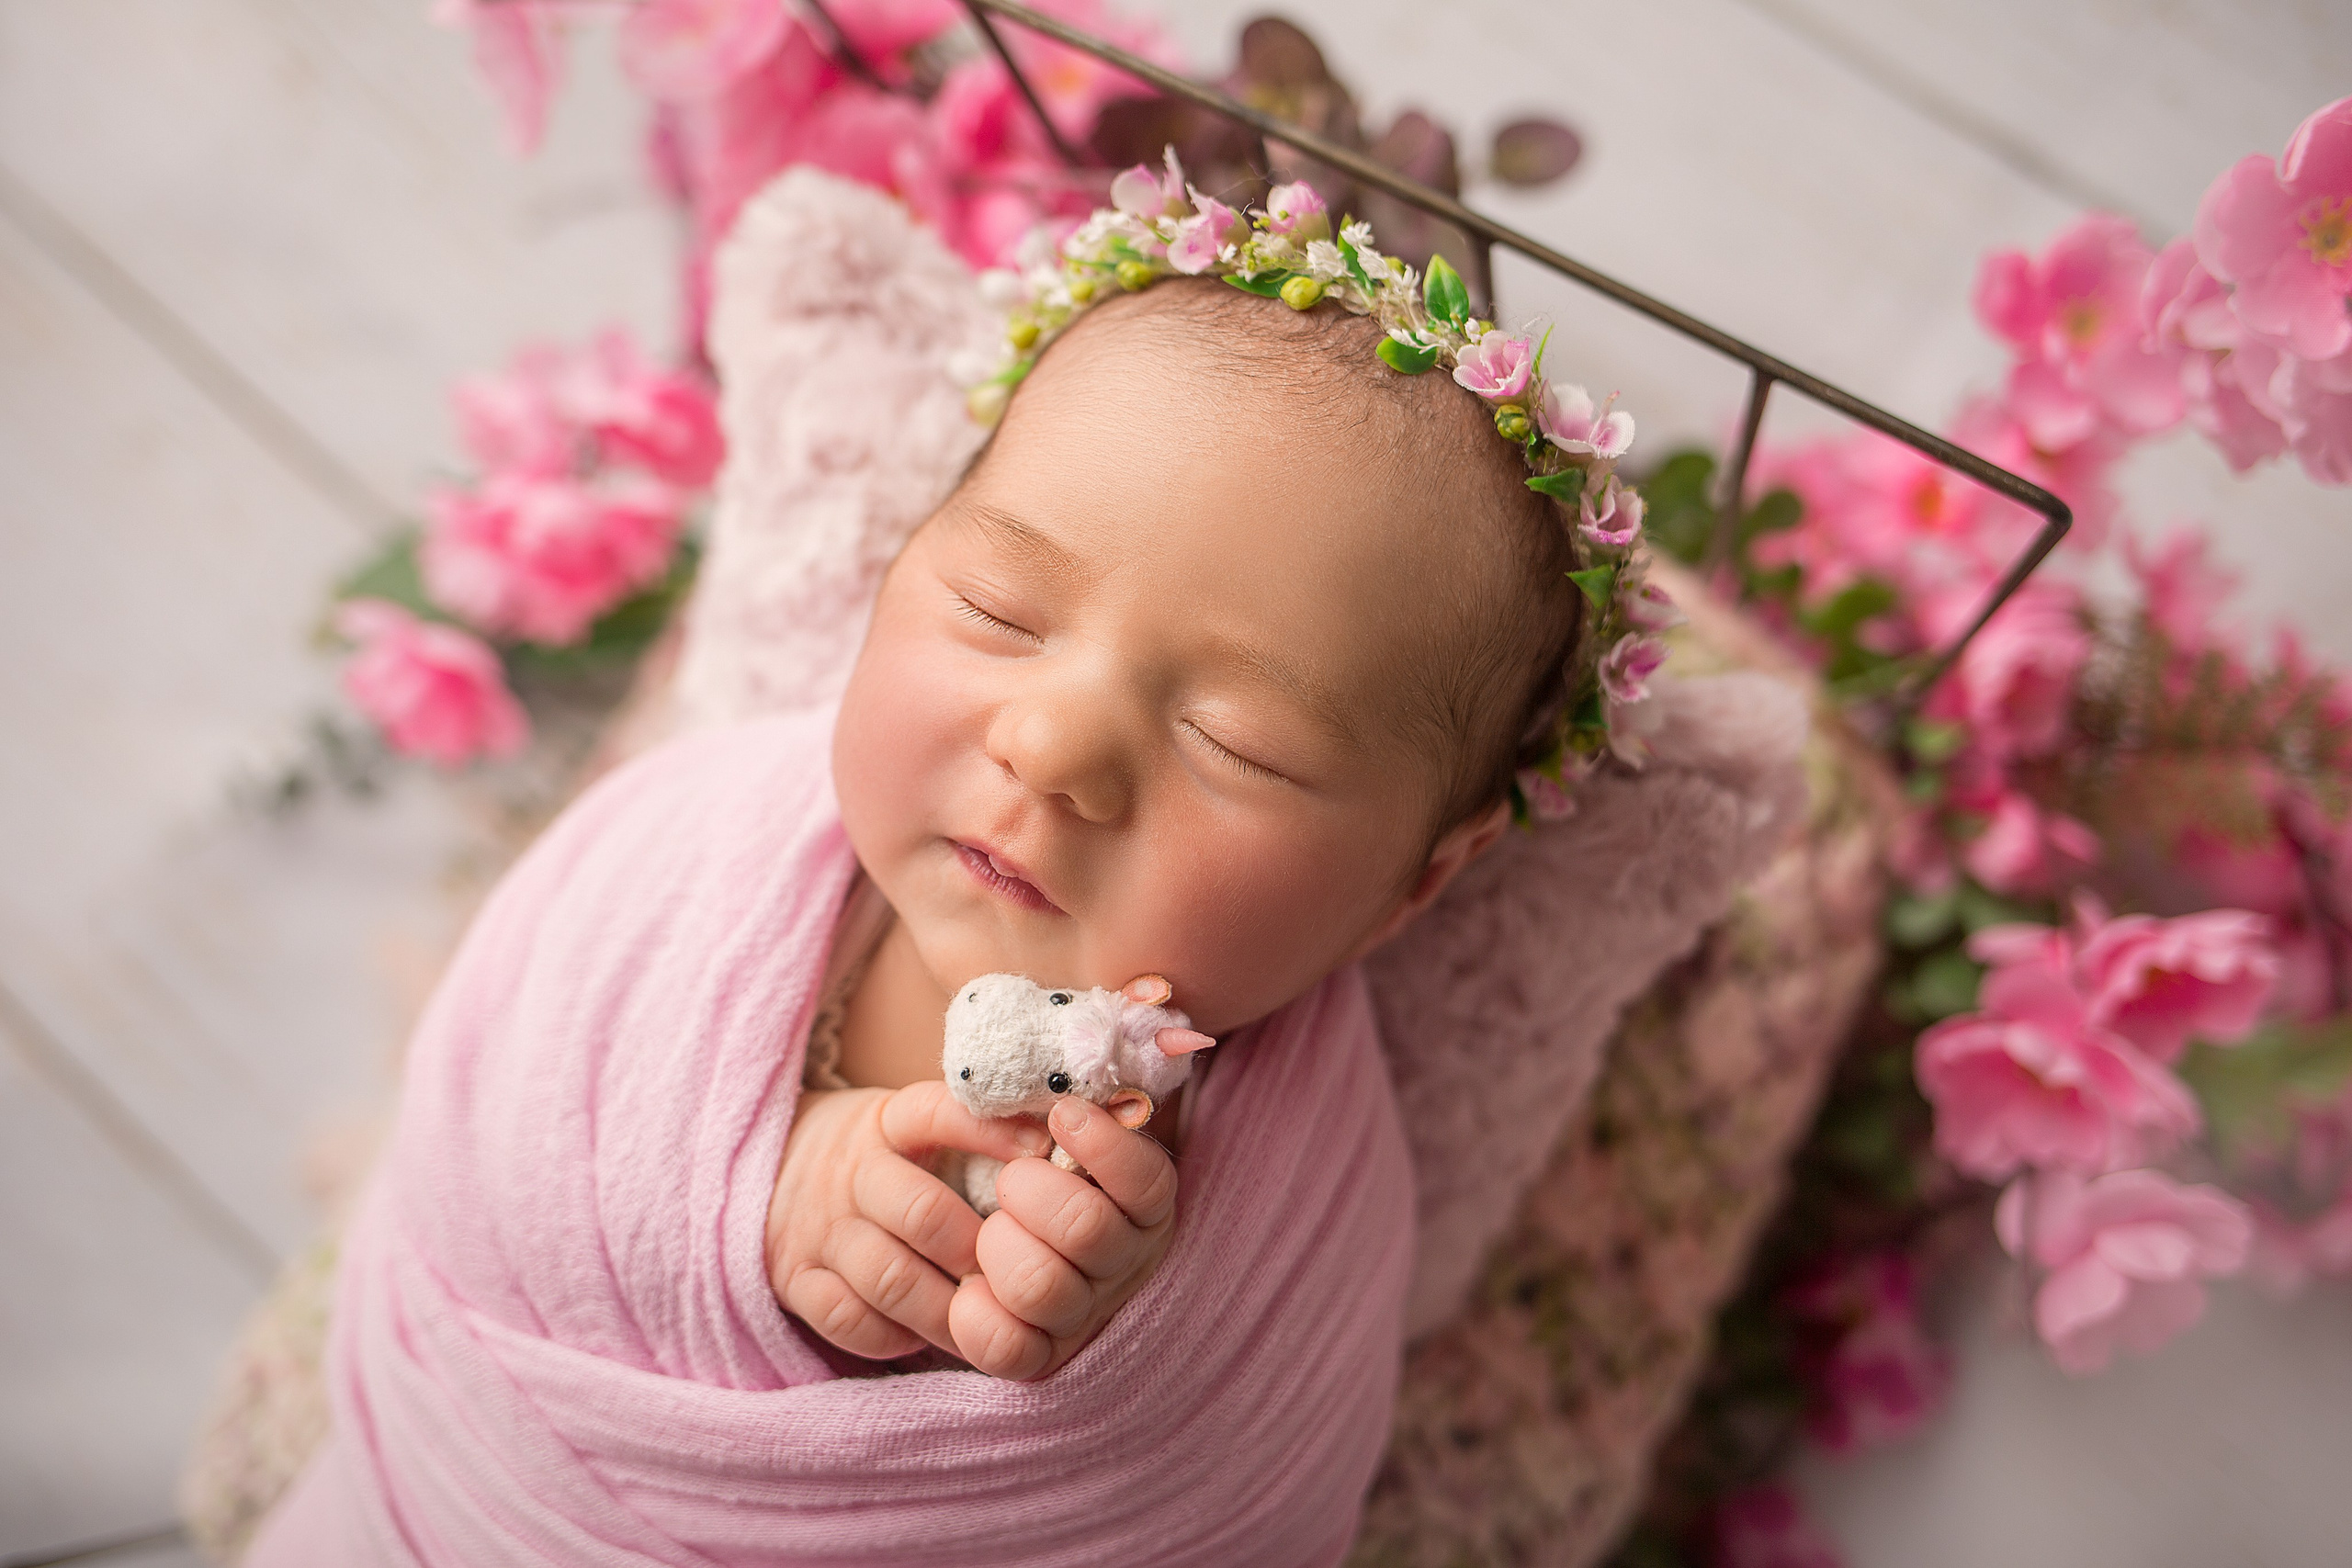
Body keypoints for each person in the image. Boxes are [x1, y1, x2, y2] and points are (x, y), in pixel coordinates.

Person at [245, 157, 1671, 1566]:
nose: (1051, 743)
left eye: (1235, 741)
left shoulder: (1304, 1221)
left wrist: (1102, 1348)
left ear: (1416, 882)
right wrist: (764, 1199)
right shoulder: (690, 861)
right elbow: (514, 1110)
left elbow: (1226, 1482)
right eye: (997, 608)